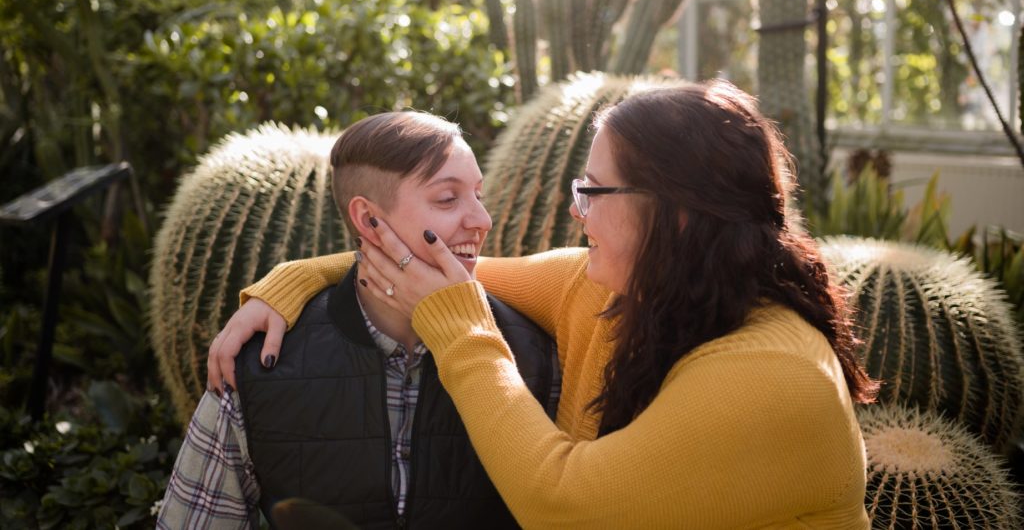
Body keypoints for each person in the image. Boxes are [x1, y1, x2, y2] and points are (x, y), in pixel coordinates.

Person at [209, 80, 877, 528]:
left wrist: (464, 332)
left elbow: (558, 505)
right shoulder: (621, 293)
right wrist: (296, 281)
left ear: (673, 217)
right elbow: (450, 269)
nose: (575, 210)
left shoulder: (775, 379)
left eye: (593, 191)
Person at [158, 112, 558, 529]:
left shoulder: (536, 357)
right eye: (447, 199)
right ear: (368, 219)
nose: (482, 220)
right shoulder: (262, 363)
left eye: (479, 195)